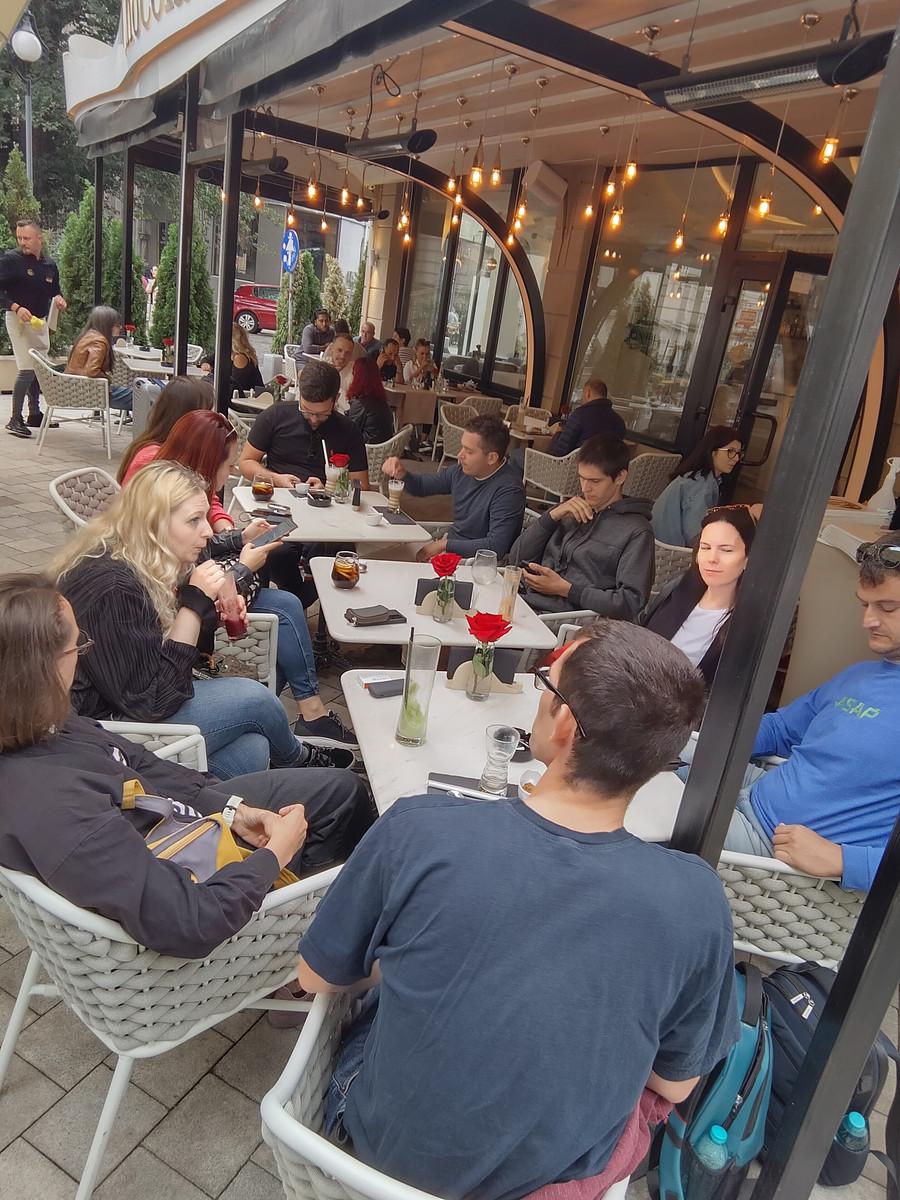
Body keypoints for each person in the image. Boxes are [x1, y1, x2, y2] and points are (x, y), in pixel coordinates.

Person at [296, 621, 737, 1200]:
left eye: (547, 686)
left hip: (383, 1159)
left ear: (565, 723)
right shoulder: (697, 901)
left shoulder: (418, 828)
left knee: (386, 994)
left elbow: (315, 976)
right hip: (554, 1174)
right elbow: (675, 1085)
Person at [0, 573, 373, 959]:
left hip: (176, 829)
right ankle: (310, 948)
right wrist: (274, 855)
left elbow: (141, 764)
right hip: (199, 909)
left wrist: (235, 812)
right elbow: (191, 920)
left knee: (341, 791)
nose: (83, 656)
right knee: (342, 807)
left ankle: (312, 915)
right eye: (78, 645)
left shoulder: (39, 724)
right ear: (41, 669)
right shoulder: (55, 806)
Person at [52, 461, 353, 779]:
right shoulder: (114, 586)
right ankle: (298, 759)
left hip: (130, 704)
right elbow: (153, 702)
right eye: (194, 520)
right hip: (102, 731)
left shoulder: (143, 561)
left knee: (253, 748)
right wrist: (195, 605)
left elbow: (158, 652)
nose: (208, 531)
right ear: (153, 523)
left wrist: (208, 611)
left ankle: (204, 798)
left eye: (205, 518)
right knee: (256, 699)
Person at [679, 533, 900, 892]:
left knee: (627, 811)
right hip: (754, 790)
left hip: (770, 850)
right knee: (633, 759)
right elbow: (781, 729)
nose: (868, 621)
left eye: (887, 608)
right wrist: (705, 740)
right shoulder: (861, 675)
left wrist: (847, 862)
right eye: (865, 605)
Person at [141, 409, 357, 749]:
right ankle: (301, 730)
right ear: (207, 460)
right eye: (228, 465)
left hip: (187, 622)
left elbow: (202, 548)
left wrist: (239, 537)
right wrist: (242, 568)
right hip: (184, 634)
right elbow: (194, 595)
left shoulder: (176, 488)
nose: (230, 473)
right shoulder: (164, 500)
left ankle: (302, 714)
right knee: (284, 613)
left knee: (287, 605)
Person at [238, 360, 369, 600]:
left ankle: (310, 600)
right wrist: (276, 478)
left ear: (336, 399)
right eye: (306, 410)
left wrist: (330, 487)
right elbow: (246, 462)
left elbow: (361, 486)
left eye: (322, 413)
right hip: (278, 512)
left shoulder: (348, 430)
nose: (313, 418)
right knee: (274, 552)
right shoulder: (275, 416)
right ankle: (295, 599)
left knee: (338, 556)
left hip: (328, 519)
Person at [509, 436, 655, 619]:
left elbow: (630, 603)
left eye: (595, 481)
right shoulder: (569, 510)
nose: (585, 488)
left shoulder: (637, 531)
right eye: (582, 478)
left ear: (620, 477)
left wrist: (568, 590)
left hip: (565, 621)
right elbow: (515, 558)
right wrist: (551, 517)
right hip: (524, 601)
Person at [383, 415, 525, 561]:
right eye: (462, 447)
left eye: (469, 451)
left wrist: (444, 545)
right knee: (379, 558)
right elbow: (421, 486)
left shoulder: (509, 491)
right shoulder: (461, 471)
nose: (460, 455)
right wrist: (402, 473)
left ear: (491, 458)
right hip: (449, 549)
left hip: (474, 563)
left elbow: (495, 546)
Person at [644, 505, 756, 687]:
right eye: (705, 547)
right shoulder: (678, 589)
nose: (712, 558)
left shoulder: (745, 625)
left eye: (726, 550)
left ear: (748, 559)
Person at [0, 218, 67, 437]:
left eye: (26, 238)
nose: (22, 242)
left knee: (39, 367)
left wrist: (59, 299)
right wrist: (15, 307)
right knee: (27, 367)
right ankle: (15, 418)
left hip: (39, 321)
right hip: (18, 320)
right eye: (19, 238)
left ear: (40, 238)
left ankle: (34, 413)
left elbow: (54, 290)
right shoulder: (11, 260)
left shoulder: (49, 265)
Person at [651, 426, 743, 548]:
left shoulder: (699, 477)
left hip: (659, 544)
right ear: (712, 451)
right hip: (672, 551)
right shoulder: (701, 485)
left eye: (738, 453)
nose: (736, 458)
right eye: (730, 451)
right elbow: (694, 536)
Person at [117, 375, 215, 485]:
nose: (210, 419)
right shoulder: (155, 459)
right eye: (205, 413)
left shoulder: (178, 450)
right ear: (182, 417)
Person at [65, 305, 133, 415]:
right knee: (143, 396)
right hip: (93, 391)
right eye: (117, 325)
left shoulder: (87, 335)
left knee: (139, 395)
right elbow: (92, 371)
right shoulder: (99, 341)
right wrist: (107, 378)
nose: (120, 327)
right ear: (107, 325)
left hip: (79, 387)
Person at [546, 378, 626, 456]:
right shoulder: (619, 422)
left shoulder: (579, 415)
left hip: (580, 462)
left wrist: (558, 433)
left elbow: (559, 451)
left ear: (588, 393)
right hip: (607, 464)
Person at [346, 357, 394, 445]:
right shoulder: (380, 399)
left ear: (356, 376)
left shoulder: (361, 402)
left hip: (368, 446)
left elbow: (351, 431)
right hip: (383, 444)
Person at [230, 323, 264, 394]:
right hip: (251, 395)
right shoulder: (242, 353)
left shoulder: (240, 357)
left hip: (251, 397)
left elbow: (236, 387)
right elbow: (209, 359)